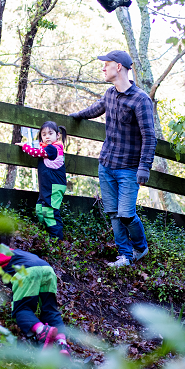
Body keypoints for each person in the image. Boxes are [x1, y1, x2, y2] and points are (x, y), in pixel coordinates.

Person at [69, 50, 156, 267]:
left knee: (126, 214)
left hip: (128, 169)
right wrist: (76, 116)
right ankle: (125, 256)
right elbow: (95, 109)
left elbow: (149, 136)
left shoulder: (141, 100)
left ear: (119, 67)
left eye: (106, 64)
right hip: (106, 165)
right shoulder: (110, 94)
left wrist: (144, 167)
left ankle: (140, 248)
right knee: (114, 214)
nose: (103, 68)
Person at [0, 229, 69, 356]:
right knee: (50, 310)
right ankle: (62, 345)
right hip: (47, 268)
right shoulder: (15, 252)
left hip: (27, 271)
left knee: (22, 309)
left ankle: (42, 330)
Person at [15, 121, 68, 240]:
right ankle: (46, 238)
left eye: (50, 133)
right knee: (40, 210)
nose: (47, 136)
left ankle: (57, 241)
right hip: (47, 187)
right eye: (44, 134)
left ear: (57, 135)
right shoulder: (48, 148)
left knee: (50, 212)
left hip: (54, 186)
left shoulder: (53, 149)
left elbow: (35, 153)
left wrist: (25, 146)